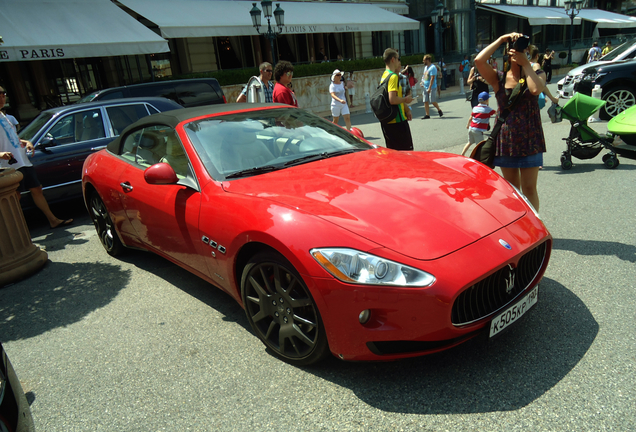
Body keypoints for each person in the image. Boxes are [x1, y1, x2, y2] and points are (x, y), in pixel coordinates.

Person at [475, 33, 547, 211]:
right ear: (507, 52)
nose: (515, 52)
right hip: (507, 139)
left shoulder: (537, 73)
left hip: (530, 138)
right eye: (512, 49)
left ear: (527, 52)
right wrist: (500, 40)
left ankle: (533, 229)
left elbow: (536, 89)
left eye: (521, 49)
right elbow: (479, 60)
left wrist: (526, 64)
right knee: (512, 190)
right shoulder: (498, 78)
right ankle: (517, 228)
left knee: (529, 188)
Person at [0, 85, 72, 229]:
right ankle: (16, 232)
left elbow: (13, 139)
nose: (2, 97)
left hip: (22, 160)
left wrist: (26, 142)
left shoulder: (5, 116)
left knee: (37, 189)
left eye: (3, 94)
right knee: (15, 197)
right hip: (9, 165)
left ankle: (53, 220)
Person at [378, 48, 413, 151]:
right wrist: (406, 99)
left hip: (388, 122)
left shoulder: (385, 75)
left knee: (394, 155)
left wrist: (406, 109)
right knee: (407, 154)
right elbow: (392, 100)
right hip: (397, 122)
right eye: (398, 58)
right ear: (393, 59)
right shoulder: (393, 76)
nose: (399, 61)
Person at [462, 91, 496, 156]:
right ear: (487, 100)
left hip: (471, 128)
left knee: (469, 142)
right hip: (478, 130)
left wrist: (467, 125)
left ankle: (462, 154)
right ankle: (478, 158)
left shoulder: (475, 108)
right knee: (480, 146)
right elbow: (497, 113)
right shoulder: (488, 109)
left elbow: (470, 117)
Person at [421, 54, 443, 119]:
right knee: (425, 101)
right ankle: (427, 114)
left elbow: (432, 78)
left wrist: (430, 88)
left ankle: (439, 109)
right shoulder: (425, 67)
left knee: (432, 101)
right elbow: (425, 76)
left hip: (432, 87)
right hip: (425, 86)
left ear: (428, 60)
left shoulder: (433, 67)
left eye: (424, 60)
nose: (423, 61)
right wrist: (422, 82)